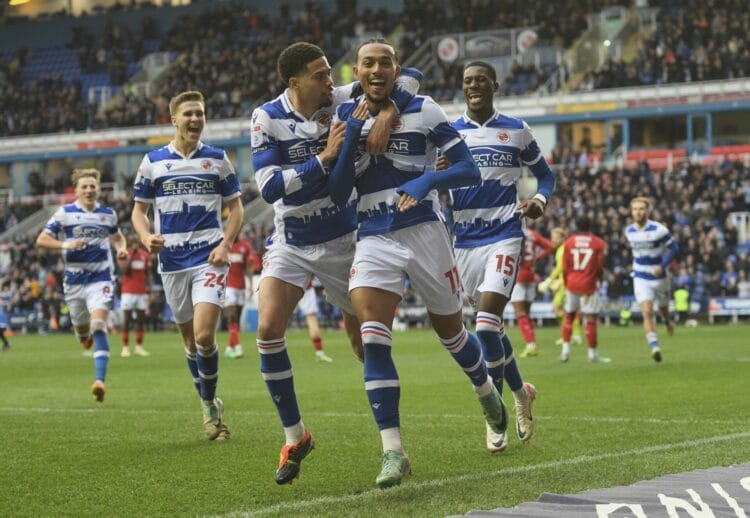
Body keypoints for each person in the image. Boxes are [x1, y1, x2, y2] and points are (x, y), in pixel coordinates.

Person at [329, 44, 514, 487]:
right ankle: (393, 451)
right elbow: (337, 193)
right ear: (356, 72)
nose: (377, 70)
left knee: (452, 333)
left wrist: (429, 177)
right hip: (374, 235)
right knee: (373, 337)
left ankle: (485, 390)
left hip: (426, 231)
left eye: (385, 63)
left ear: (396, 70)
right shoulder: (342, 113)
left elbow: (468, 170)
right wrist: (353, 133)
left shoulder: (424, 109)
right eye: (368, 64)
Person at [251, 41, 420, 485]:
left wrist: (386, 113)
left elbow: (411, 75)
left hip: (346, 238)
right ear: (295, 83)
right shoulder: (266, 117)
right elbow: (270, 187)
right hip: (293, 239)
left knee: (364, 342)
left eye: (330, 72)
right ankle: (295, 436)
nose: (332, 81)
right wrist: (324, 158)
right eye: (320, 75)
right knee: (268, 329)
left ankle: (392, 446)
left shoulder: (342, 98)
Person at [439, 61, 554, 453]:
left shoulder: (517, 130)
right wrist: (436, 171)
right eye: (468, 80)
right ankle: (522, 392)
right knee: (491, 328)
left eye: (481, 80)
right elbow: (428, 179)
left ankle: (495, 415)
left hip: (505, 234)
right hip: (464, 242)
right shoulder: (449, 133)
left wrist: (539, 199)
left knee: (486, 327)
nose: (474, 85)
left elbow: (547, 176)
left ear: (495, 85)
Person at [131, 90, 243, 440]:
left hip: (209, 256)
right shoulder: (153, 161)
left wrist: (226, 244)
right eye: (189, 114)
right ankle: (209, 404)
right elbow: (138, 212)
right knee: (190, 344)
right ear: (174, 119)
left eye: (200, 113)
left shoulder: (218, 159)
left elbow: (236, 209)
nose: (196, 119)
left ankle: (209, 407)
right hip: (171, 261)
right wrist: (145, 237)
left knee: (205, 336)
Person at [36, 168, 128, 401]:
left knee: (98, 325)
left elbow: (117, 237)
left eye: (92, 186)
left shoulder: (108, 214)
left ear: (98, 189)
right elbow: (42, 240)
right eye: (84, 187)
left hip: (101, 279)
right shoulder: (64, 213)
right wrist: (66, 245)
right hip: (74, 282)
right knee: (83, 332)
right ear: (76, 190)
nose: (89, 190)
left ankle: (100, 381)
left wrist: (121, 249)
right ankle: (85, 338)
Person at [624, 196, 678, 362]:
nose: (638, 212)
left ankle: (667, 321)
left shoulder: (659, 230)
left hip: (660, 277)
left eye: (641, 209)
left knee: (663, 309)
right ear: (631, 212)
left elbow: (674, 248)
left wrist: (662, 266)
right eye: (635, 209)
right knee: (647, 311)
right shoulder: (629, 231)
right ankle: (654, 347)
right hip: (640, 277)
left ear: (647, 211)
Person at [560, 215, 608, 363]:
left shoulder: (568, 243)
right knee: (591, 319)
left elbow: (565, 266)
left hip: (572, 283)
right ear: (590, 225)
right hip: (589, 284)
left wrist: (567, 282)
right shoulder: (598, 243)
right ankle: (592, 355)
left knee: (569, 316)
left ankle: (565, 352)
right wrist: (599, 279)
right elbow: (599, 266)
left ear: (576, 226)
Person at [512, 227, 555, 358]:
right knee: (527, 313)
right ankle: (532, 343)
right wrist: (536, 257)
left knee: (520, 313)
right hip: (531, 275)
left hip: (518, 274)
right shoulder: (533, 234)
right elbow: (551, 246)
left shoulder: (513, 231)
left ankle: (530, 345)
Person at [539, 227, 583, 346]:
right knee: (568, 309)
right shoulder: (562, 249)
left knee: (557, 308)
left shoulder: (562, 250)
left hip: (566, 284)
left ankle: (570, 335)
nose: (553, 240)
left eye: (556, 238)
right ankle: (572, 335)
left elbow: (560, 268)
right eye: (552, 237)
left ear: (563, 238)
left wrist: (549, 280)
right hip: (566, 282)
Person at [223, 228, 255, 359]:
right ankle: (238, 347)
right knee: (231, 316)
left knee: (238, 317)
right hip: (228, 286)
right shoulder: (223, 246)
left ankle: (229, 348)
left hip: (241, 286)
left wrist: (251, 285)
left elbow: (249, 267)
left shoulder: (245, 246)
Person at [117, 234, 151, 357]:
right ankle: (125, 347)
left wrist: (149, 291)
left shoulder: (145, 255)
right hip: (128, 292)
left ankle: (138, 347)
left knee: (141, 321)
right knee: (127, 320)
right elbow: (124, 271)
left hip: (141, 292)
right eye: (132, 241)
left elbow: (147, 274)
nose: (135, 243)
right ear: (129, 242)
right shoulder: (124, 254)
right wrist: (132, 255)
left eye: (136, 241)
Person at [297, 279, 333, 362]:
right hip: (304, 285)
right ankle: (319, 353)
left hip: (280, 281)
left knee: (277, 319)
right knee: (311, 319)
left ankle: (274, 354)